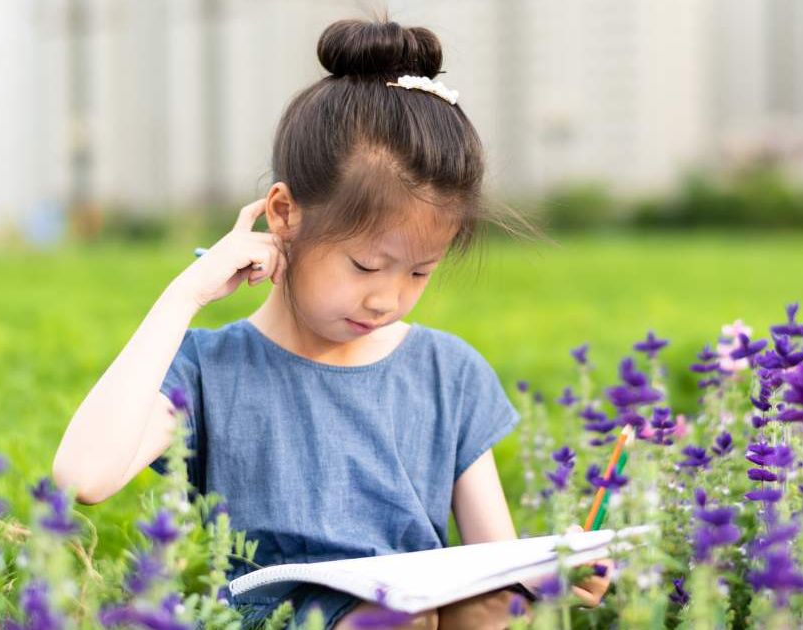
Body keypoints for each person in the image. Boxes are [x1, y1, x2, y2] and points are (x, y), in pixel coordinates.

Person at [51, 12, 611, 629]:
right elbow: (85, 476)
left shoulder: (448, 372)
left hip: (418, 615)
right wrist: (185, 294)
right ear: (284, 214)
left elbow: (490, 568)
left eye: (419, 273)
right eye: (367, 265)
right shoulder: (211, 369)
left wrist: (546, 576)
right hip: (277, 617)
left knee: (475, 605)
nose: (387, 298)